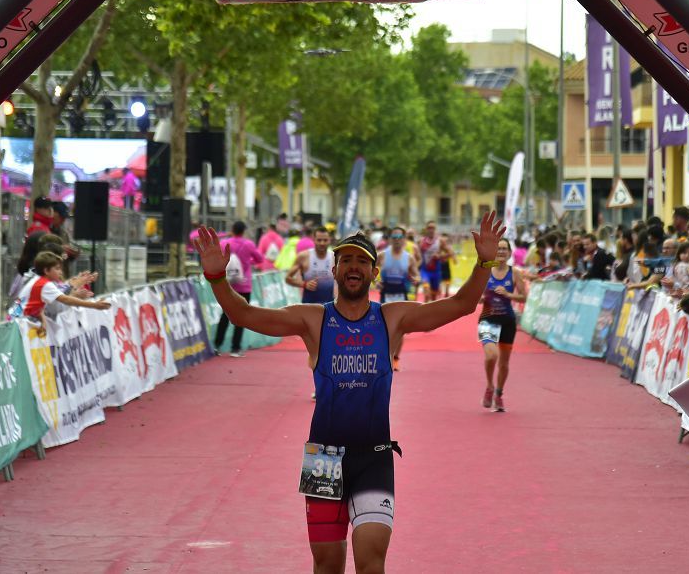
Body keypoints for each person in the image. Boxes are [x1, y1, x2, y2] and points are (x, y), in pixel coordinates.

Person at [193, 212, 504, 574]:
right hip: (323, 457)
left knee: (371, 563)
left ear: (374, 272)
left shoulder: (392, 318)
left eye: (362, 261)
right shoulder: (312, 319)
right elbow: (244, 314)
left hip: (373, 457)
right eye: (346, 260)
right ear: (335, 269)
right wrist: (216, 277)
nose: (353, 267)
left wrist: (484, 262)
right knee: (327, 565)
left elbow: (461, 305)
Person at [477, 238, 527, 413]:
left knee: (504, 363)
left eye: (505, 249)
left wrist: (508, 294)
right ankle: (490, 386)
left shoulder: (515, 273)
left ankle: (499, 393)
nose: (501, 252)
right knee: (492, 356)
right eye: (498, 249)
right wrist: (481, 298)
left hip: (507, 321)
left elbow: (524, 297)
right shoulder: (485, 268)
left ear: (510, 253)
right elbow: (473, 294)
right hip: (487, 319)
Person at [214, 221, 264, 357]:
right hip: (244, 285)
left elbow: (216, 257)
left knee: (225, 314)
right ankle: (235, 349)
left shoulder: (225, 243)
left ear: (232, 229)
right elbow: (260, 259)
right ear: (244, 231)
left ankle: (217, 345)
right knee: (241, 317)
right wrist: (248, 261)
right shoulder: (248, 244)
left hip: (227, 284)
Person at [376, 227, 420, 372]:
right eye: (394, 237)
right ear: (390, 239)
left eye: (399, 236)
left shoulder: (409, 257)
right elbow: (370, 270)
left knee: (399, 329)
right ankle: (383, 357)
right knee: (383, 328)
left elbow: (417, 275)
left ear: (404, 239)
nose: (396, 239)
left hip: (402, 295)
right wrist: (375, 281)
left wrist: (415, 280)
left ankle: (395, 359)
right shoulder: (382, 255)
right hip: (386, 294)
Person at [20, 252, 110, 319]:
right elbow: (66, 300)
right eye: (57, 269)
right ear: (46, 271)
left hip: (20, 321)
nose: (61, 272)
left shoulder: (41, 281)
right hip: (18, 323)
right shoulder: (44, 284)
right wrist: (94, 305)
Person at [287, 227, 336, 305]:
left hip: (328, 306)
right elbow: (288, 278)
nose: (322, 243)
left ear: (330, 240)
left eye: (325, 240)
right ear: (313, 240)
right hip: (308, 306)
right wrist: (304, 284)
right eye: (319, 240)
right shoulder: (303, 256)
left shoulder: (335, 257)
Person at [418, 221, 451, 303]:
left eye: (433, 228)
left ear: (435, 229)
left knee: (433, 297)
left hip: (436, 272)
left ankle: (432, 312)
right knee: (426, 292)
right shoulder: (421, 241)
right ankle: (424, 312)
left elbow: (450, 253)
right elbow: (417, 256)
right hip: (425, 271)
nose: (431, 230)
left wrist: (440, 256)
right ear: (426, 229)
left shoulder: (440, 241)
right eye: (429, 228)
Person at [50, 201, 80, 278]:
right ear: (53, 213)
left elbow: (65, 256)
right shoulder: (45, 230)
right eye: (61, 216)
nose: (63, 220)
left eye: (64, 217)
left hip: (63, 275)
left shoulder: (63, 233)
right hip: (50, 274)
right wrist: (61, 249)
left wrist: (72, 254)